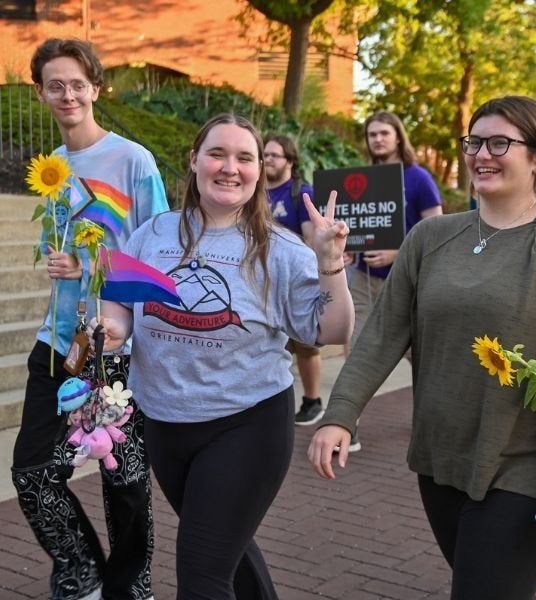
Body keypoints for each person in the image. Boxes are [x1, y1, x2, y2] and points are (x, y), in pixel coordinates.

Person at [91, 113, 354, 600]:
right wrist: (112, 329)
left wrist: (329, 263)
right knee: (226, 550)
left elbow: (331, 330)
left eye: (244, 157)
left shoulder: (280, 248)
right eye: (217, 153)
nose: (229, 167)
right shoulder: (153, 233)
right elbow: (119, 302)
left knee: (201, 573)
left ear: (258, 171)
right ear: (194, 161)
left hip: (247, 424)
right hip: (165, 422)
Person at [308, 95, 536, 600]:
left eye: (499, 143)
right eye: (474, 142)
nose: (481, 154)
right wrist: (341, 414)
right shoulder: (431, 237)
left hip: (527, 465)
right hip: (439, 460)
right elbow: (382, 334)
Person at [11, 38, 169, 600]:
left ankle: (131, 588)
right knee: (32, 475)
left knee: (124, 482)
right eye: (56, 84)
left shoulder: (132, 160)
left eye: (78, 83)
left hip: (117, 346)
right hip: (58, 344)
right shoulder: (49, 169)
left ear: (96, 88)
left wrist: (91, 262)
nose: (68, 94)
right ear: (41, 93)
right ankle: (80, 573)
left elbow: (162, 253)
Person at [344, 110, 443, 451]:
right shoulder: (362, 178)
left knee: (421, 355)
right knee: (355, 349)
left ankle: (428, 419)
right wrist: (345, 250)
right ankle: (347, 425)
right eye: (372, 134)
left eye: (384, 133)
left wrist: (396, 253)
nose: (378, 139)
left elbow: (436, 231)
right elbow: (354, 225)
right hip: (362, 278)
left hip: (406, 281)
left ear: (398, 136)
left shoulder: (418, 178)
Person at [264, 133, 323, 425]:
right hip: (262, 281)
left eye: (274, 155)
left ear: (289, 160)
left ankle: (312, 401)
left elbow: (311, 238)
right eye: (265, 154)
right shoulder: (255, 191)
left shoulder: (301, 192)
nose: (267, 160)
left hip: (294, 280)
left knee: (305, 345)